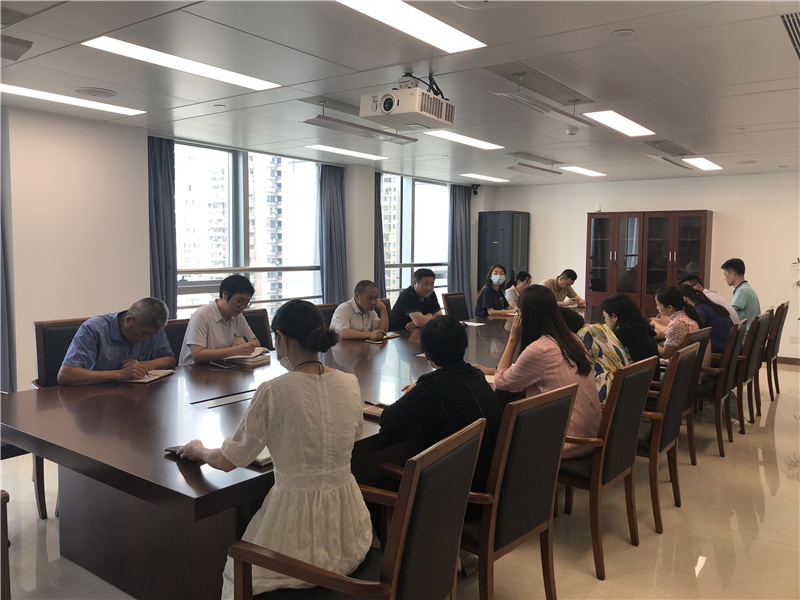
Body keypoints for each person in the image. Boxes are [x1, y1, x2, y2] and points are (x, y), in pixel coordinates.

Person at [175, 300, 372, 598]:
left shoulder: (274, 390)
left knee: (237, 570)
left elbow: (230, 460)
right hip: (349, 529)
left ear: (282, 338)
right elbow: (355, 433)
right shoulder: (349, 382)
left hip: (295, 532)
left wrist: (199, 450)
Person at [475, 285, 601, 459]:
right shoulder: (572, 339)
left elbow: (501, 383)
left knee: (495, 425)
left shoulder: (539, 349)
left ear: (525, 316)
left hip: (565, 441)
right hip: (590, 435)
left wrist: (513, 339)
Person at [380, 315, 502, 491]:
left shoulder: (433, 385)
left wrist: (418, 390)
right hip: (491, 479)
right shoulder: (476, 375)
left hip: (456, 491)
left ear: (427, 355)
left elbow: (387, 419)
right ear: (464, 346)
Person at [58, 297, 175, 385]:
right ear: (128, 320)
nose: (145, 338)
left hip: (135, 396)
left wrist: (141, 366)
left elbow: (169, 360)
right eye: (143, 333)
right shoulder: (93, 329)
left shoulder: (153, 329)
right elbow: (66, 375)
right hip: (95, 395)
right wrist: (120, 374)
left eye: (151, 334)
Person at [179, 275, 261, 365]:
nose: (242, 307)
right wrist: (236, 350)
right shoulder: (202, 315)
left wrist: (242, 341)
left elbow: (256, 343)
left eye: (246, 303)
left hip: (224, 368)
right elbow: (197, 355)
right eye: (239, 301)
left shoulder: (238, 316)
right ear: (224, 295)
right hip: (195, 370)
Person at [560, 308, 629, 404]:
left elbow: (575, 368)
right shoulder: (601, 328)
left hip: (606, 391)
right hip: (621, 388)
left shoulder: (584, 333)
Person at [600, 294, 659, 363]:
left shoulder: (622, 333)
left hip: (637, 370)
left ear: (614, 317)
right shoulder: (642, 327)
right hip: (651, 369)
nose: (605, 320)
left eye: (605, 316)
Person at [679, 284, 734, 353]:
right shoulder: (708, 306)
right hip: (727, 348)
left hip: (717, 350)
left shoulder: (698, 311)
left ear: (684, 299)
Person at [654, 286, 704, 360]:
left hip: (686, 365)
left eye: (658, 305)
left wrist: (650, 341)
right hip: (695, 363)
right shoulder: (685, 315)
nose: (657, 308)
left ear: (670, 308)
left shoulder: (677, 324)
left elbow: (665, 354)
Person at [721, 258, 761, 332]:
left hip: (745, 334)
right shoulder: (746, 288)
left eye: (725, 275)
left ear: (733, 273)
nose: (725, 278)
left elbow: (730, 313)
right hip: (751, 332)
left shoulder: (742, 291)